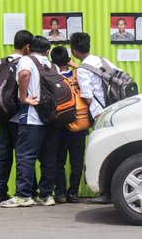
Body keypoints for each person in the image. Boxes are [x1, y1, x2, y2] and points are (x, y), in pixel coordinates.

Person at [0, 36, 60, 208]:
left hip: (33, 117)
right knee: (48, 158)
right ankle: (46, 195)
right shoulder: (51, 65)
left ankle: (23, 195)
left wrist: (22, 97)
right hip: (51, 118)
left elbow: (24, 74)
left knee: (26, 157)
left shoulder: (27, 60)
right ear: (47, 50)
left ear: (29, 48)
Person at [70, 32, 119, 204]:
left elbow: (88, 97)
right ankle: (113, 191)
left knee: (103, 152)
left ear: (74, 51)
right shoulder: (102, 60)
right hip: (115, 110)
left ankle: (105, 193)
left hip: (100, 114)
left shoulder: (83, 70)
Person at [0, 30, 33, 203]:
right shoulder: (24, 63)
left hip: (1, 114)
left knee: (4, 154)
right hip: (17, 115)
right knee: (22, 155)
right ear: (27, 47)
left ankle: (0, 191)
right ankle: (21, 192)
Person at [50, 46, 88, 204]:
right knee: (76, 160)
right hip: (79, 123)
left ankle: (60, 193)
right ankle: (73, 193)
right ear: (68, 59)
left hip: (59, 126)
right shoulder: (77, 75)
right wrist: (74, 65)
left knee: (58, 160)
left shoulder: (52, 77)